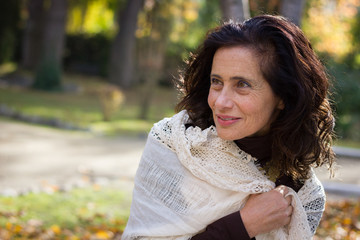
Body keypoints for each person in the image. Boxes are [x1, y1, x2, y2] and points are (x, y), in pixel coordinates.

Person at [122, 15, 335, 240]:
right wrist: (244, 224)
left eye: (242, 85)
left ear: (283, 95)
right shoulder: (175, 148)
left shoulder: (303, 191)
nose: (221, 102)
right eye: (217, 82)